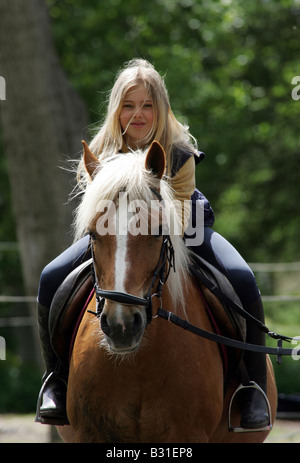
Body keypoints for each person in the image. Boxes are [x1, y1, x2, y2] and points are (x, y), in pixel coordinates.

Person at [35, 59, 268, 430]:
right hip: (114, 236)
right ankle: (56, 381)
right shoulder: (100, 152)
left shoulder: (180, 154)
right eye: (128, 105)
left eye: (146, 105)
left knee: (241, 277)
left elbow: (179, 213)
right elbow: (94, 212)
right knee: (51, 277)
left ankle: (252, 386)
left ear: (159, 109)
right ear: (117, 109)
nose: (137, 114)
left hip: (182, 233)